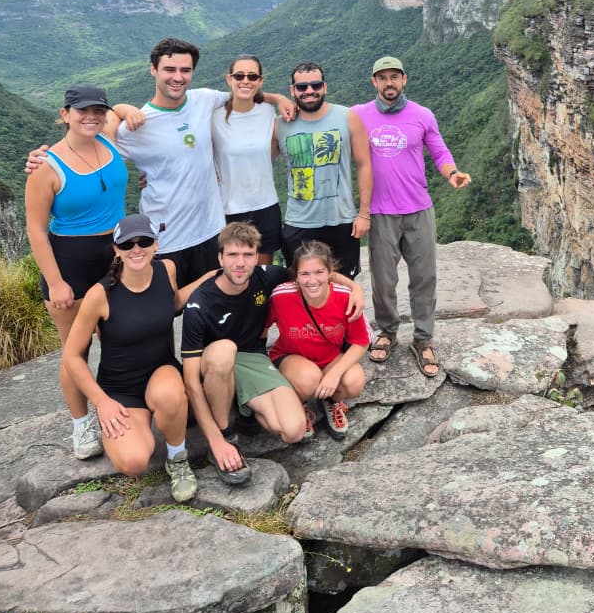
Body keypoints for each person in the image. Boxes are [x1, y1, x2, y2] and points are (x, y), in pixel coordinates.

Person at [27, 38, 293, 284]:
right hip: (165, 239)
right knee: (164, 314)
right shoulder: (135, 125)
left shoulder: (204, 99)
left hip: (211, 233)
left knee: (209, 311)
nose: (178, 77)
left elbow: (243, 93)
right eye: (169, 69)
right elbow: (90, 143)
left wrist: (278, 98)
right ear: (153, 70)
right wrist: (46, 160)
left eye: (185, 70)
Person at [181, 222, 366, 484]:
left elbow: (313, 271)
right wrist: (215, 441)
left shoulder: (266, 276)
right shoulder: (200, 304)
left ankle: (245, 411)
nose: (240, 263)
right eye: (232, 255)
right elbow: (190, 381)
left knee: (294, 430)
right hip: (213, 363)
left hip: (253, 359)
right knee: (225, 351)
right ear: (220, 258)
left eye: (248, 255)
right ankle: (225, 436)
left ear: (257, 257)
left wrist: (355, 289)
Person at [24, 83, 134, 461]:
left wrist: (123, 107)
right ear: (64, 114)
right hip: (71, 261)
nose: (92, 117)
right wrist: (56, 282)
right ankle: (80, 423)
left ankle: (125, 406)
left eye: (97, 111)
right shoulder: (46, 167)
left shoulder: (106, 135)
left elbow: (119, 111)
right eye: (82, 110)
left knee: (121, 336)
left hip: (118, 257)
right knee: (77, 348)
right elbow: (35, 229)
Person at [61, 214, 199, 503]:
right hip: (121, 389)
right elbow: (73, 356)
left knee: (170, 395)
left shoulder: (167, 270)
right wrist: (102, 403)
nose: (136, 249)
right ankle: (138, 423)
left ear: (156, 244)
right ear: (116, 250)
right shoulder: (100, 294)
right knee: (135, 462)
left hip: (160, 371)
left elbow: (170, 303)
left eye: (144, 241)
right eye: (127, 244)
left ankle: (177, 457)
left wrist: (210, 279)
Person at [353, 55, 471, 378]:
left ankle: (422, 338)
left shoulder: (422, 115)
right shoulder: (358, 116)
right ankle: (388, 331)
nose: (389, 83)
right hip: (379, 213)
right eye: (383, 78)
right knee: (383, 280)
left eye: (395, 77)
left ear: (404, 80)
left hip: (418, 209)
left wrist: (452, 174)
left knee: (424, 277)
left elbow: (439, 151)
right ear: (373, 82)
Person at [276, 61, 372, 280]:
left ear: (324, 87)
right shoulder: (280, 125)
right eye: (302, 87)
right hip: (298, 222)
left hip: (341, 221)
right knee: (300, 286)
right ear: (292, 91)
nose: (309, 91)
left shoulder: (347, 117)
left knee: (343, 286)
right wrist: (275, 99)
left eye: (315, 85)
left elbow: (364, 164)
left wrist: (364, 214)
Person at [268, 241, 371, 441]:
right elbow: (261, 329)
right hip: (291, 356)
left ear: (330, 272)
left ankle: (331, 400)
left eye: (319, 272)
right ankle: (300, 404)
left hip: (329, 356)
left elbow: (361, 341)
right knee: (309, 379)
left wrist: (335, 374)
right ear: (296, 275)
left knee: (354, 382)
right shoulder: (281, 296)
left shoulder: (345, 298)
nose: (312, 280)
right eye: (304, 274)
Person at [211, 54, 281, 265]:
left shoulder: (268, 111)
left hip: (265, 204)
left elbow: (273, 148)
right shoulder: (212, 116)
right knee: (233, 273)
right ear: (229, 79)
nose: (245, 81)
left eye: (252, 76)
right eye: (239, 75)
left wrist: (279, 99)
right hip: (229, 208)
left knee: (262, 275)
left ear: (260, 81)